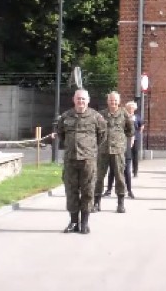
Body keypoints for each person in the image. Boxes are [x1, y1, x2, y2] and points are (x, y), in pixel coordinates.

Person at [56, 89, 106, 234]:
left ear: (88, 100)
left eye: (83, 99)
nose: (81, 102)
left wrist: (89, 148)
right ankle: (73, 221)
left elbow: (101, 136)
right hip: (70, 160)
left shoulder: (96, 117)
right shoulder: (65, 117)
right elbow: (61, 134)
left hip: (88, 160)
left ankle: (84, 222)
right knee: (71, 191)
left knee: (88, 190)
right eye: (78, 99)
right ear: (74, 99)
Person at [93, 92, 134, 213]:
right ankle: (96, 203)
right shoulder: (101, 115)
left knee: (119, 177)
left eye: (115, 100)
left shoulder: (124, 114)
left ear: (119, 101)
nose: (113, 102)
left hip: (118, 150)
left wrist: (120, 140)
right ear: (107, 101)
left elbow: (130, 130)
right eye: (111, 100)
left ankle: (120, 203)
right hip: (103, 150)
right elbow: (96, 130)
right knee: (99, 177)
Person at [127, 103, 143, 177]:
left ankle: (135, 171)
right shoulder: (125, 116)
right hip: (127, 138)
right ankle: (127, 170)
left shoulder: (137, 117)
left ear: (134, 109)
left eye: (132, 108)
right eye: (129, 108)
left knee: (135, 154)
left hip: (135, 138)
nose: (131, 109)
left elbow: (141, 125)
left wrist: (138, 133)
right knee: (127, 155)